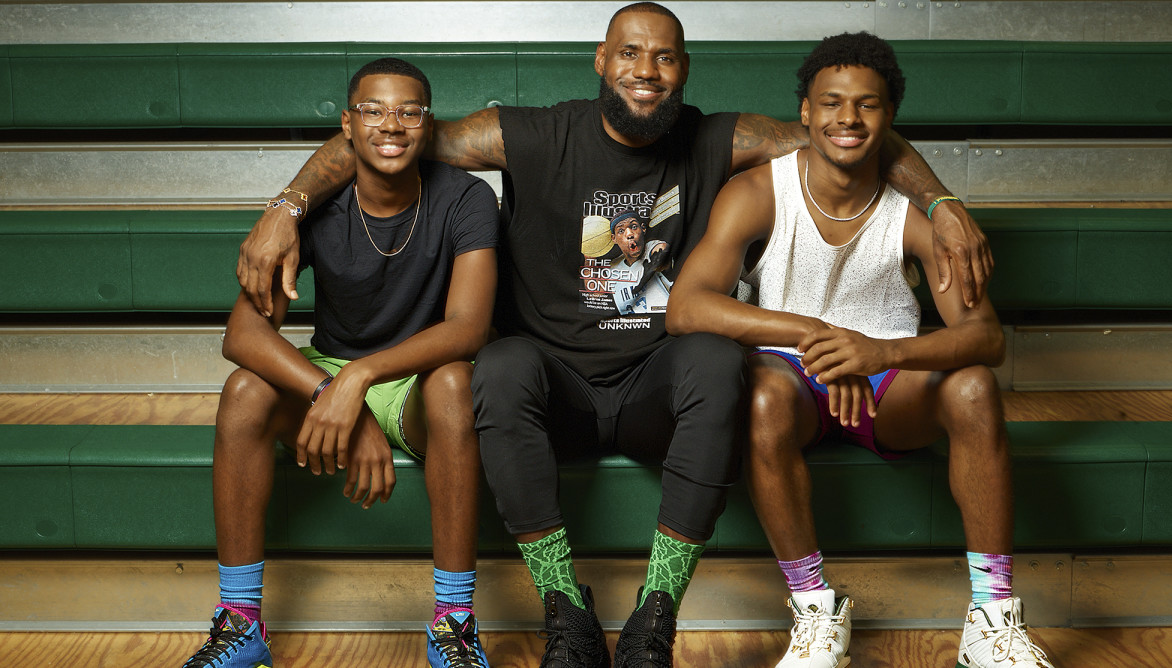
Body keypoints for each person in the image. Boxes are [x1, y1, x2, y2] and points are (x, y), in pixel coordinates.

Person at [231, 4, 996, 666]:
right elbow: (391, 137)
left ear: (685, 69)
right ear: (601, 61)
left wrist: (942, 202)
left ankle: (656, 611)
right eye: (629, 52)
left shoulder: (717, 139)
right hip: (553, 386)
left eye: (664, 56)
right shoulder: (529, 134)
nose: (646, 70)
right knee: (495, 366)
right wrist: (288, 205)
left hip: (653, 386)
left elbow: (853, 134)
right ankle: (564, 605)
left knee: (710, 357)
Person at [666, 32, 1055, 668]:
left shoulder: (916, 215)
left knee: (974, 387)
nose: (847, 118)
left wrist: (882, 353)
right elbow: (687, 307)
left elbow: (986, 339)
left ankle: (992, 615)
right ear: (805, 112)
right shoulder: (760, 191)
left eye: (867, 105)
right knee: (759, 395)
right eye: (831, 103)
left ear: (890, 117)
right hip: (788, 377)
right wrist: (816, 338)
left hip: (884, 380)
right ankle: (815, 609)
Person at [181, 58, 499, 668]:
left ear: (428, 127)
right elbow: (242, 334)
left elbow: (467, 328)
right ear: (348, 126)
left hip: (415, 377)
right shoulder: (316, 208)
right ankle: (241, 624)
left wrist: (358, 381)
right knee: (244, 391)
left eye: (409, 111)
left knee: (458, 382)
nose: (392, 125)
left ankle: (454, 623)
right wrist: (336, 393)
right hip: (330, 367)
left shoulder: (466, 198)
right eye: (374, 110)